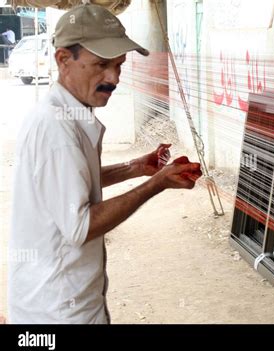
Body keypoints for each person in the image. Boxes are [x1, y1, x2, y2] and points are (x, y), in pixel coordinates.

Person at [8, 4, 202, 324]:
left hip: (64, 299)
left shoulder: (69, 113)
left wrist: (136, 167)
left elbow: (71, 181)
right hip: (57, 311)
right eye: (100, 65)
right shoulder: (57, 129)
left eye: (119, 65)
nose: (113, 77)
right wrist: (157, 183)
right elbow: (81, 227)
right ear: (63, 60)